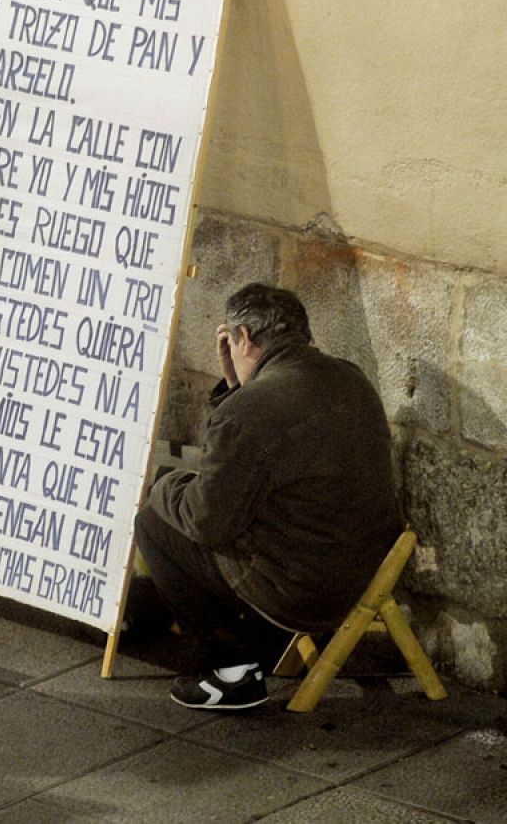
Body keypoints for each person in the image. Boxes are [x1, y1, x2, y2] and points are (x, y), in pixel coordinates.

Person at [136, 283, 402, 710]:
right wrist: (233, 383)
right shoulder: (351, 378)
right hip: (364, 573)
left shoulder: (249, 411)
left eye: (231, 341)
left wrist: (165, 487)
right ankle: (255, 638)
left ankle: (233, 671)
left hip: (302, 591)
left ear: (242, 338)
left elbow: (208, 522)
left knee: (154, 522)